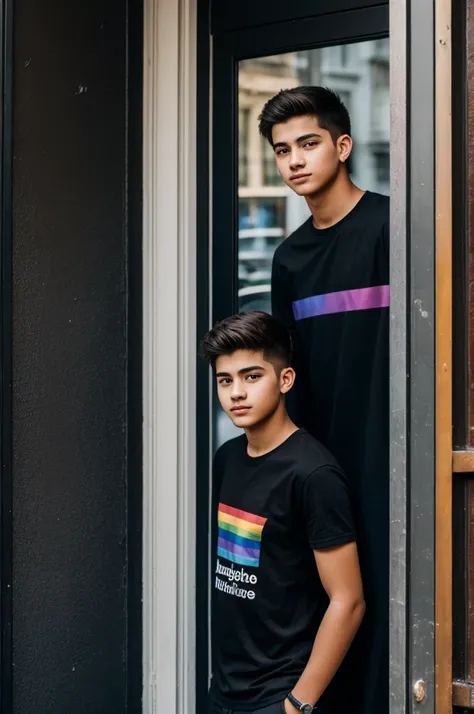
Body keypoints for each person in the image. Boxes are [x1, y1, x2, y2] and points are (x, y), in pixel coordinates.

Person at [259, 86, 389, 714]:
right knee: (335, 608)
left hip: (396, 459)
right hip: (326, 468)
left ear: (342, 146)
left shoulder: (394, 227)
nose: (294, 161)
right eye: (282, 150)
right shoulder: (288, 260)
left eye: (308, 143)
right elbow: (290, 372)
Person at [201, 311, 365, 714]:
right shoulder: (227, 459)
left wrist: (296, 704)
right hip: (224, 691)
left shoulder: (313, 474)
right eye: (226, 380)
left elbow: (348, 601)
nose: (236, 392)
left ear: (285, 380)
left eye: (252, 376)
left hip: (279, 696)